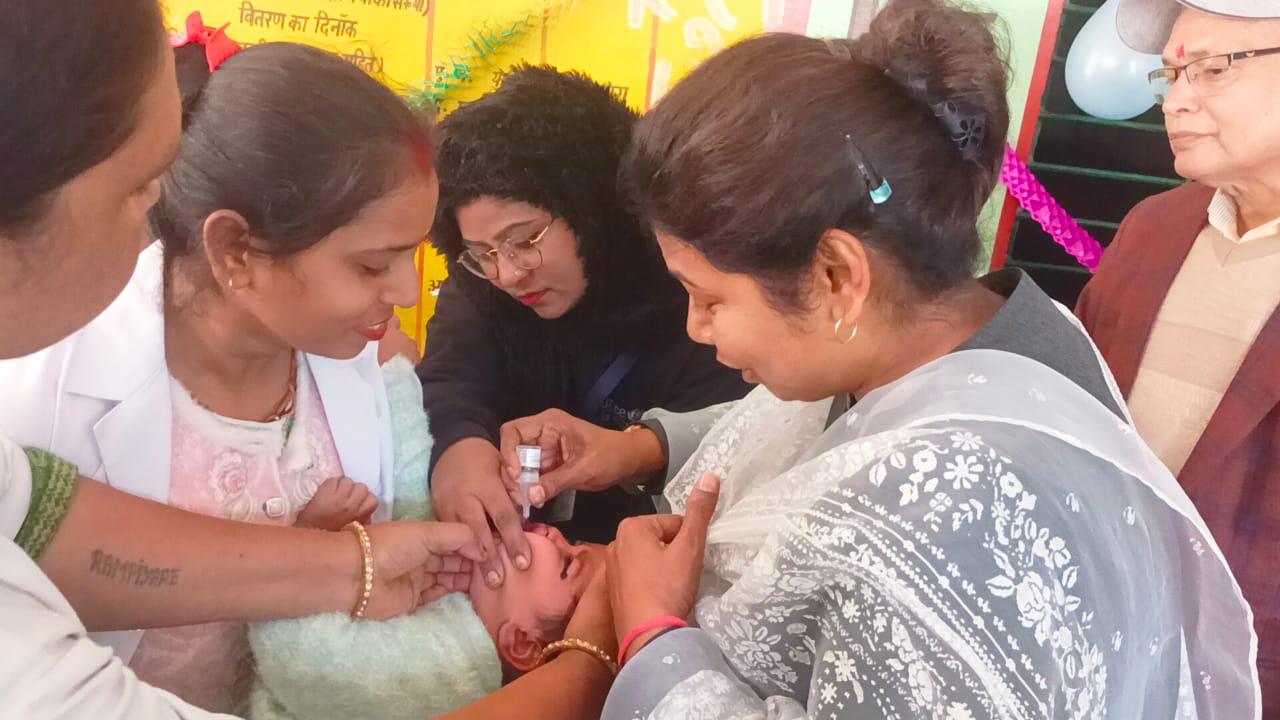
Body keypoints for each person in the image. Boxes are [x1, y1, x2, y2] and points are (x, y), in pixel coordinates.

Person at [501, 1, 1261, 717]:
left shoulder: (952, 527)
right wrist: (641, 447)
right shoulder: (970, 334)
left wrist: (656, 638)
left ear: (837, 276)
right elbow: (825, 436)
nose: (696, 327)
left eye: (708, 297)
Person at [0, 3, 480, 717]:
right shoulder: (32, 393)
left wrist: (353, 563)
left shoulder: (355, 363)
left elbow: (38, 518)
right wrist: (593, 661)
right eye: (139, 186)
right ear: (232, 251)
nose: (160, 213)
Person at [419, 66, 751, 578]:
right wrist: (457, 447)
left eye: (524, 240)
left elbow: (738, 448)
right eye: (482, 252)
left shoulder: (695, 295)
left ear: (594, 204)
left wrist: (634, 454)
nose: (508, 274)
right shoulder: (481, 286)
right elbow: (449, 378)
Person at [1077, 0, 1280, 712]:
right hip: (1089, 640)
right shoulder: (1151, 227)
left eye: (1213, 69)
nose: (1176, 101)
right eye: (1170, 75)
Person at [248, 522, 606, 720]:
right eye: (573, 540)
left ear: (524, 644)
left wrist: (320, 532)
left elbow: (290, 647)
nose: (553, 533)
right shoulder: (455, 590)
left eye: (566, 565)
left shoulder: (441, 676)